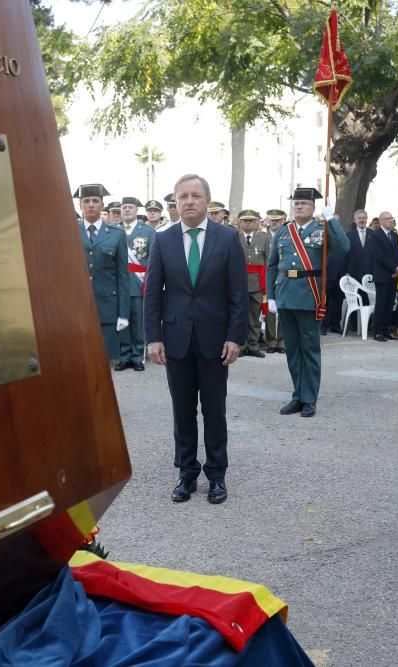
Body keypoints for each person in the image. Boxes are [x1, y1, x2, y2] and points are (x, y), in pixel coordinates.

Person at [145, 174, 248, 505]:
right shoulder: (163, 240)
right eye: (182, 196)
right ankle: (186, 473)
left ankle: (216, 475)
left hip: (215, 341)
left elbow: (238, 294)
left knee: (214, 410)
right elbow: (153, 295)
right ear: (175, 202)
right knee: (183, 411)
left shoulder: (228, 239)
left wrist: (235, 337)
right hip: (175, 340)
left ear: (207, 201)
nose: (188, 201)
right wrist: (153, 338)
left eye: (195, 195)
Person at [266, 188, 349, 417]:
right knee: (292, 351)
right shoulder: (284, 232)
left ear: (313, 207)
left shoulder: (322, 229)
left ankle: (309, 398)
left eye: (303, 203)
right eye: (296, 203)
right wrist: (271, 296)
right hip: (285, 295)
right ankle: (297, 396)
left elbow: (344, 247)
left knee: (309, 350)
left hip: (309, 295)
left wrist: (331, 220)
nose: (299, 206)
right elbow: (272, 265)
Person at [75, 184, 130, 362]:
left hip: (108, 309)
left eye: (95, 201)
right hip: (77, 310)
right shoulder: (69, 231)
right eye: (86, 201)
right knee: (80, 363)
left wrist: (123, 314)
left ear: (102, 205)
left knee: (104, 364)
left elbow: (122, 276)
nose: (91, 205)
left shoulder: (116, 234)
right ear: (80, 205)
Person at [117, 197, 155, 371]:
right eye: (124, 207)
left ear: (136, 210)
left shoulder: (147, 231)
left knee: (138, 323)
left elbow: (153, 260)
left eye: (130, 207)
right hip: (119, 285)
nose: (126, 210)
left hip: (139, 284)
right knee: (122, 321)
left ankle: (138, 356)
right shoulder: (114, 231)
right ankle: (124, 356)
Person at [238, 209, 271, 357]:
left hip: (257, 284)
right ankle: (241, 345)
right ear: (240, 223)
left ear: (257, 222)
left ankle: (253, 345)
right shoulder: (234, 237)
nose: (248, 223)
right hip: (238, 283)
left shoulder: (264, 238)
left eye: (251, 220)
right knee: (240, 316)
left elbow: (269, 261)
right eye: (245, 220)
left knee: (254, 318)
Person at [369, 211, 398, 342]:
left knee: (390, 304)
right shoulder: (376, 235)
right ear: (381, 221)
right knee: (381, 304)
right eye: (388, 219)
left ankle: (386, 329)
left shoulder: (394, 235)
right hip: (382, 275)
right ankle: (377, 331)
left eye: (392, 218)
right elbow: (379, 255)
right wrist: (394, 268)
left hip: (394, 275)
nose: (391, 221)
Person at [263, 209, 288, 353]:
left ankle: (282, 341)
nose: (274, 223)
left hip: (283, 276)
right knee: (270, 311)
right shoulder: (263, 236)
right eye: (272, 220)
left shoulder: (288, 235)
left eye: (277, 220)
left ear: (283, 220)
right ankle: (271, 341)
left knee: (284, 310)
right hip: (267, 276)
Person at [345, 210, 375, 305]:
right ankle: (354, 320)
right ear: (355, 220)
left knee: (368, 304)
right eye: (359, 218)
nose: (362, 220)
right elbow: (346, 256)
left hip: (370, 274)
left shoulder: (373, 234)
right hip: (354, 274)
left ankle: (368, 320)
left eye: (364, 218)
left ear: (367, 219)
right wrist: (346, 272)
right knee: (356, 303)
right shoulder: (349, 235)